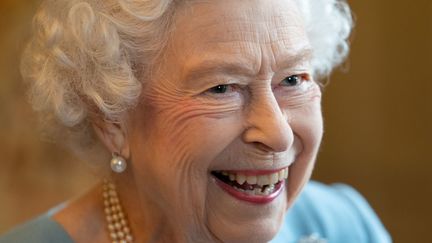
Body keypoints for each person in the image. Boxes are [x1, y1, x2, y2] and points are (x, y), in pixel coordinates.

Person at [0, 0, 392, 242]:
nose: (277, 133)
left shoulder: (345, 226)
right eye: (222, 88)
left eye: (293, 79)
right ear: (112, 119)